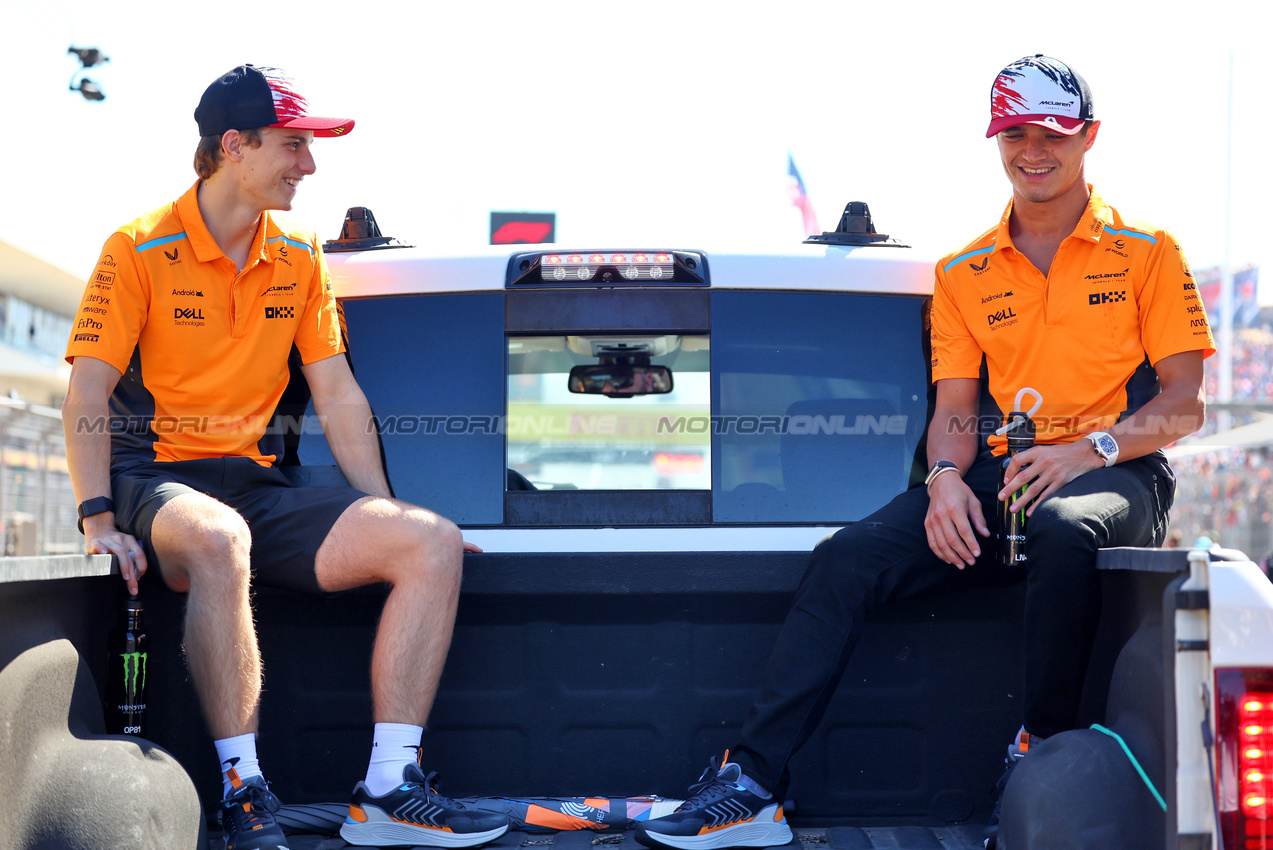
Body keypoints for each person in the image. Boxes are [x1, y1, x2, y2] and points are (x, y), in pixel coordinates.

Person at [635, 54, 1214, 850]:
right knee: (847, 556)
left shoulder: (1149, 252)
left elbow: (1183, 405)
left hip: (1118, 470)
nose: (1030, 150)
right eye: (1012, 132)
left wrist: (1091, 448)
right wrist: (944, 478)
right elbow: (953, 412)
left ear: (1088, 138)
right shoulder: (963, 272)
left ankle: (1037, 752)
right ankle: (751, 783)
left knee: (1061, 527)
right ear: (994, 140)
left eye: (1050, 133)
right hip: (999, 472)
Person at [62, 64, 509, 850]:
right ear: (233, 146)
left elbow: (337, 396)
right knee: (219, 537)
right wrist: (97, 515)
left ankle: (390, 790)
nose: (308, 165)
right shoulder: (137, 248)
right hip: (154, 479)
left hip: (252, 485)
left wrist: (389, 506)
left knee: (430, 540)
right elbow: (87, 396)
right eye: (294, 145)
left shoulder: (301, 255)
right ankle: (243, 787)